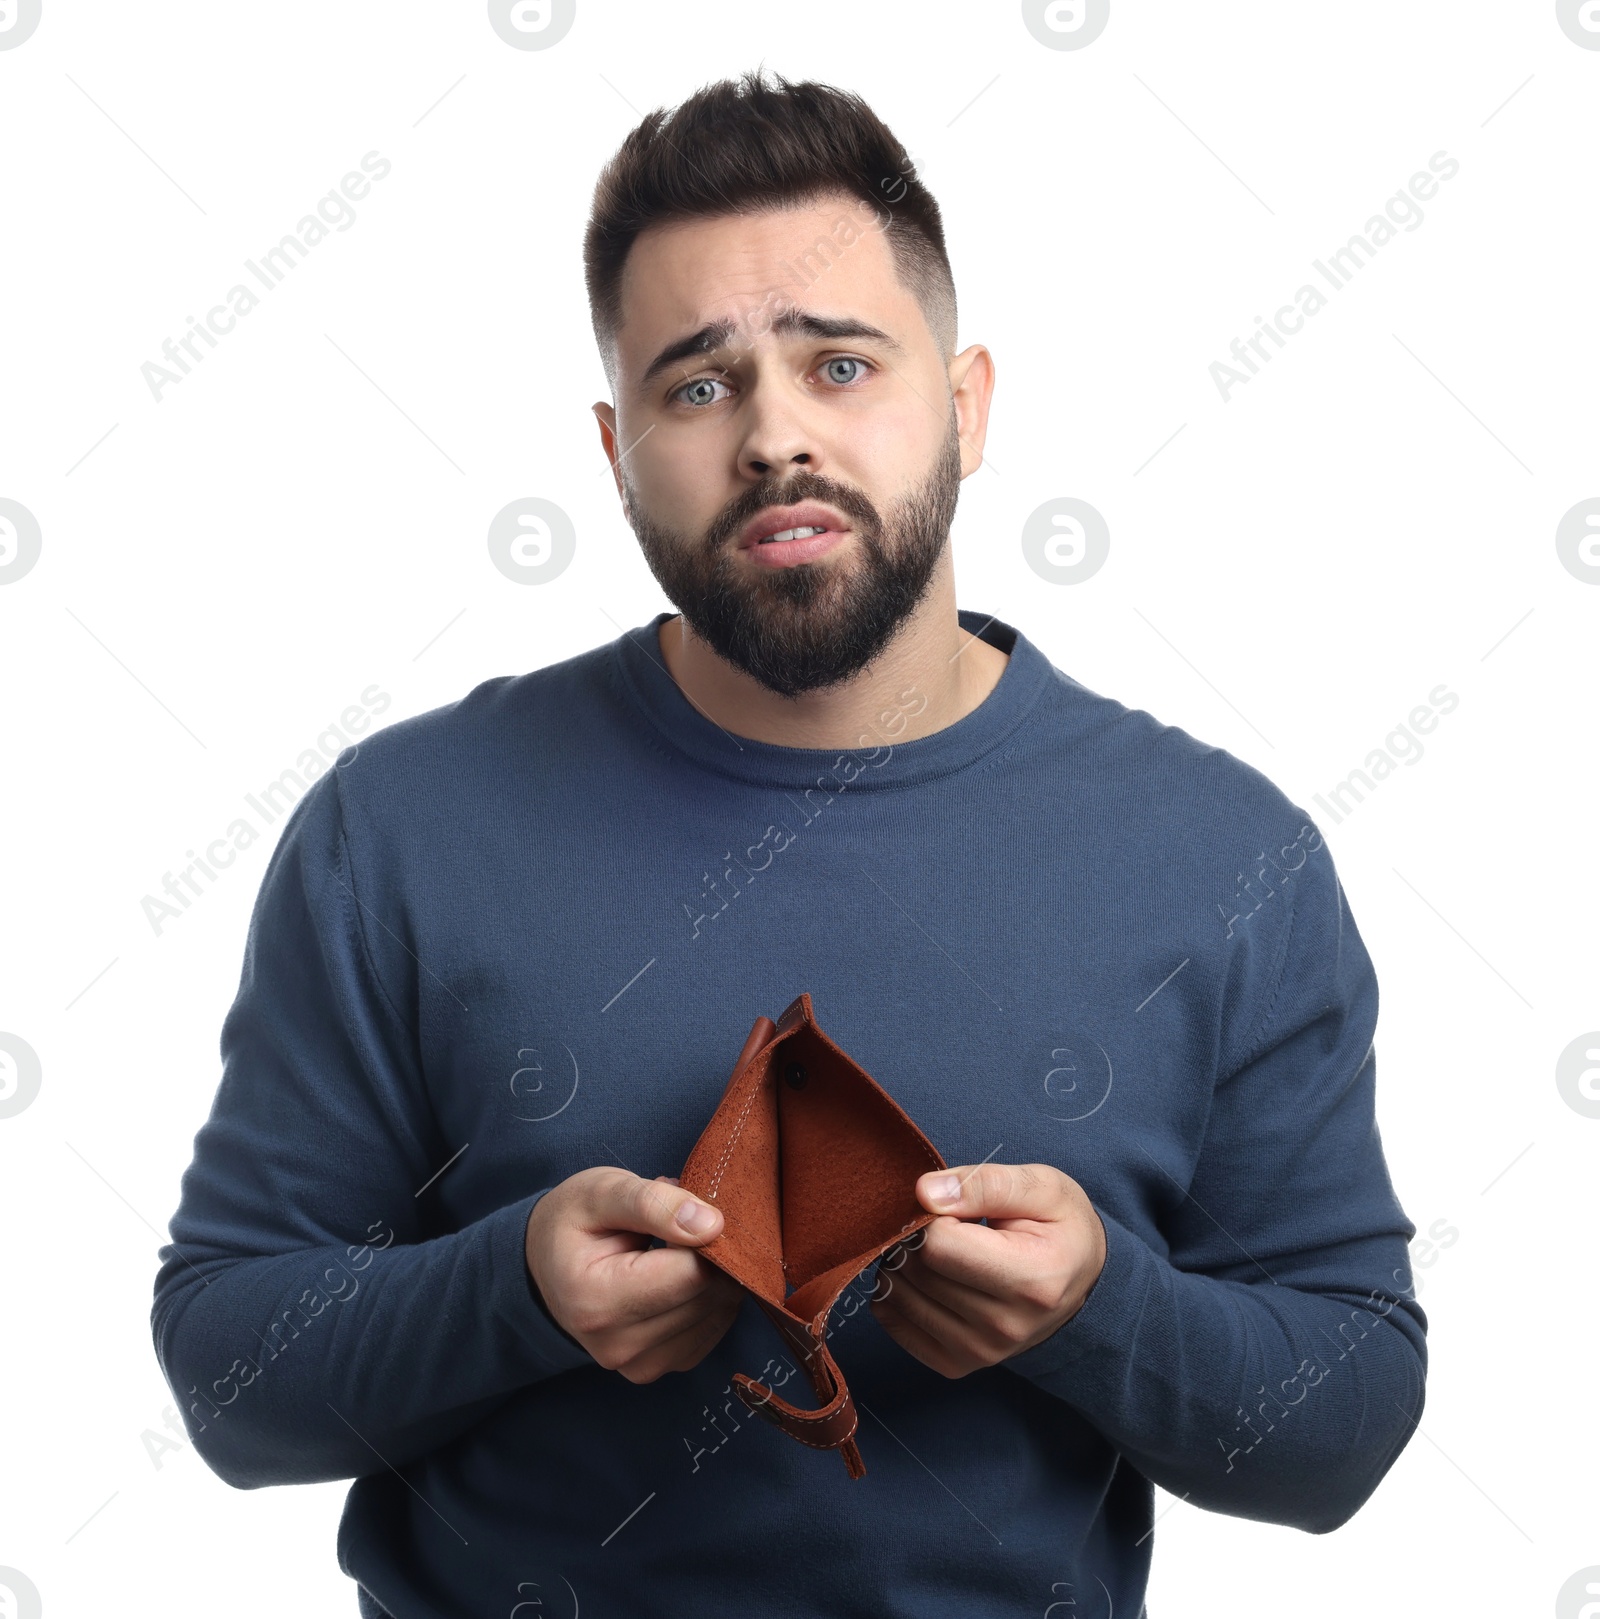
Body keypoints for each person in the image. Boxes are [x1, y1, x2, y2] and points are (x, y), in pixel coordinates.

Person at [153, 69, 1426, 1619]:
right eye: (699, 385)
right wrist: (511, 1295)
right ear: (619, 450)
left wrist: (1101, 1309)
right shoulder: (399, 827)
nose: (774, 437)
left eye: (839, 365)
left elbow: (1346, 1429)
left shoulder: (1226, 855)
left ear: (963, 404)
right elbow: (230, 1378)